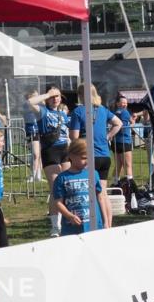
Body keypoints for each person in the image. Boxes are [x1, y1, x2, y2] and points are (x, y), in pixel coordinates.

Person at [27, 86, 71, 237]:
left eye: (58, 96)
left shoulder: (63, 114)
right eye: (53, 96)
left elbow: (68, 132)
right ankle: (54, 225)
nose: (55, 98)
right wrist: (47, 94)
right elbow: (30, 102)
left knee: (68, 186)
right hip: (50, 151)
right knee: (56, 189)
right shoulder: (43, 112)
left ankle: (67, 219)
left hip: (65, 151)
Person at [53, 139, 112, 235]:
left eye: (89, 158)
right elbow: (58, 203)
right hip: (71, 229)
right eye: (84, 158)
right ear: (71, 156)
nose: (87, 161)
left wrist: (106, 221)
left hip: (94, 226)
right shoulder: (62, 178)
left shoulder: (94, 174)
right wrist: (69, 216)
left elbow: (100, 198)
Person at [69, 83, 122, 189]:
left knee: (88, 191)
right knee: (102, 193)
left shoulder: (78, 111)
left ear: (81, 95)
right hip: (105, 156)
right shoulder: (103, 110)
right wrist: (108, 136)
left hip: (87, 156)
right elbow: (119, 123)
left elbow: (74, 136)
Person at [22, 90, 43, 183]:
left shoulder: (40, 106)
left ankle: (38, 175)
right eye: (35, 96)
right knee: (35, 154)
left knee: (38, 154)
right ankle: (33, 175)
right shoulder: (27, 104)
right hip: (31, 131)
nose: (38, 98)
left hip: (39, 131)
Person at [112, 95, 135, 181]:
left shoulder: (114, 113)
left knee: (118, 165)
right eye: (122, 102)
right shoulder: (125, 112)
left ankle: (115, 183)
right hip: (125, 141)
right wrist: (133, 122)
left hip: (115, 142)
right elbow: (132, 123)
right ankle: (130, 186)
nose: (125, 104)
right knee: (128, 165)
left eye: (126, 103)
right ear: (118, 103)